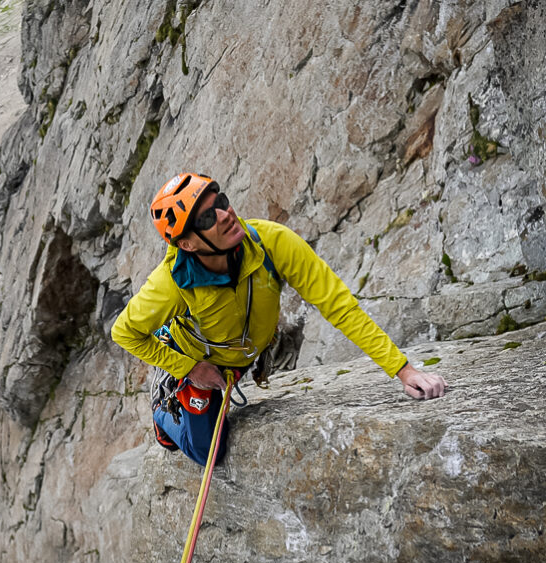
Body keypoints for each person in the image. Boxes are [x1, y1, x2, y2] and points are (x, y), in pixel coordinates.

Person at [111, 172, 446, 466]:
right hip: (196, 361)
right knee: (206, 453)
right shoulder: (171, 284)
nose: (226, 215)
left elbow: (338, 306)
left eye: (223, 202)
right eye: (206, 219)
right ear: (186, 243)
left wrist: (404, 370)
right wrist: (189, 369)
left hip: (237, 358)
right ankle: (162, 415)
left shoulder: (272, 243)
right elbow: (124, 333)